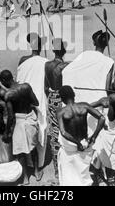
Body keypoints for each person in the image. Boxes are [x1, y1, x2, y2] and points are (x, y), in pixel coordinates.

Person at [57, 86, 106, 186]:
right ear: (74, 95)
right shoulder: (84, 106)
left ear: (62, 98)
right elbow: (102, 118)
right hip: (85, 144)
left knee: (70, 173)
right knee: (83, 172)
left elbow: (63, 132)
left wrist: (77, 143)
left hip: (71, 146)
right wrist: (94, 136)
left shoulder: (61, 112)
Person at [0, 70, 40, 185]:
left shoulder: (8, 95)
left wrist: (7, 132)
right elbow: (36, 102)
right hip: (30, 118)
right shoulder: (26, 87)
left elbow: (11, 116)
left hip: (19, 121)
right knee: (33, 146)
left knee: (20, 151)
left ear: (3, 81)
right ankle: (37, 172)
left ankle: (25, 178)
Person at [17, 33, 48, 178]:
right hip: (40, 101)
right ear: (41, 46)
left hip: (24, 103)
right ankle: (38, 166)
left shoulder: (23, 61)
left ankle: (29, 168)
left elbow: (19, 82)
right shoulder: (46, 62)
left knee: (25, 134)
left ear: (30, 45)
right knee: (41, 129)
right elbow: (48, 86)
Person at [44, 38, 70, 180]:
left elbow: (45, 87)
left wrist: (51, 97)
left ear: (54, 51)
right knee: (65, 132)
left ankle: (56, 171)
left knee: (54, 134)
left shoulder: (47, 64)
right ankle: (65, 167)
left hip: (51, 98)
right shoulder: (65, 65)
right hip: (62, 98)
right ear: (64, 51)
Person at [0, 113, 23, 185]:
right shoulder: (10, 137)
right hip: (15, 175)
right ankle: (24, 179)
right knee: (20, 153)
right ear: (3, 125)